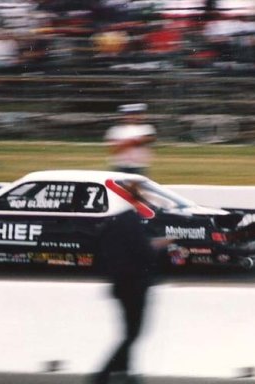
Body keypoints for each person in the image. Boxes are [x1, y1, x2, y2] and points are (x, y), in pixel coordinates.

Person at [92, 185, 171, 384]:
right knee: (133, 333)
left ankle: (123, 371)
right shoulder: (133, 223)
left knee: (130, 332)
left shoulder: (118, 222)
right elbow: (144, 253)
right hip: (134, 285)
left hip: (121, 284)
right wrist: (160, 246)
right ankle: (104, 373)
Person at [104, 103, 156, 175]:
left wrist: (126, 143)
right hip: (120, 164)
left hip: (139, 165)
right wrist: (133, 141)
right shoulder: (115, 130)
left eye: (137, 114)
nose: (134, 117)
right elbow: (113, 149)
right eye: (130, 114)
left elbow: (147, 139)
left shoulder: (146, 128)